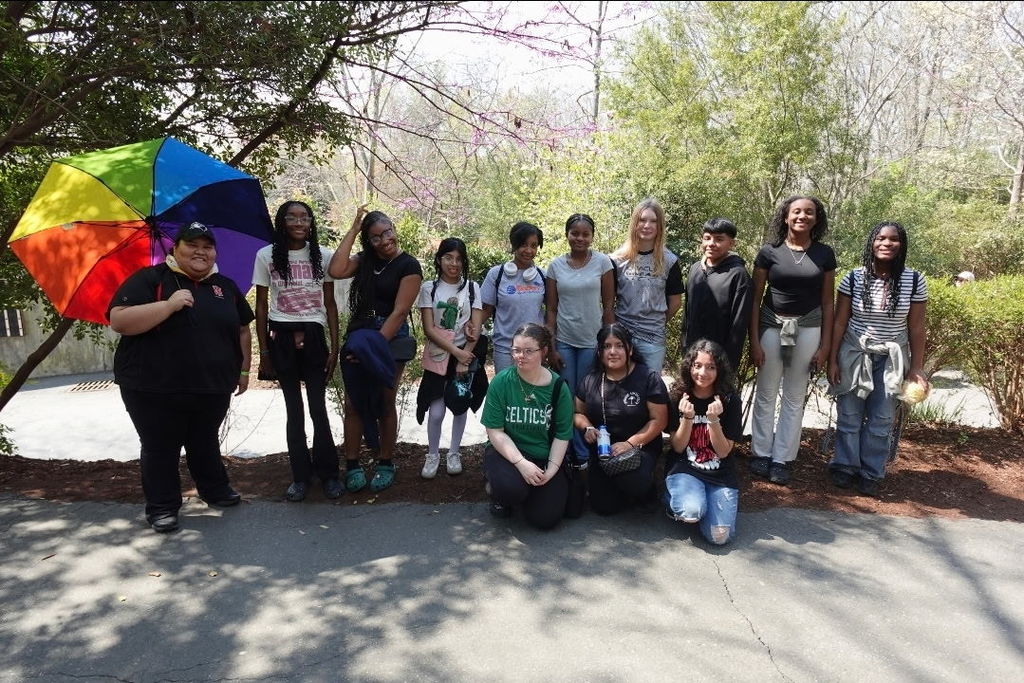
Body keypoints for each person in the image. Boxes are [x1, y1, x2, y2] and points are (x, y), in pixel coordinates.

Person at [108, 222, 253, 533]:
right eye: (192, 245)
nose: (201, 251)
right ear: (175, 249)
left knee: (204, 441)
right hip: (153, 386)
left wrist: (243, 370)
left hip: (212, 384)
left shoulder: (224, 286)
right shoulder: (150, 280)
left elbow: (243, 328)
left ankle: (214, 489)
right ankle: (162, 506)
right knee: (160, 446)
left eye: (207, 246)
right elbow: (119, 320)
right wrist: (168, 305)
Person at [827, 221, 928, 497]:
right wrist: (832, 359)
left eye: (893, 239)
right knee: (849, 414)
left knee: (882, 419)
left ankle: (871, 471)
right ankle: (845, 465)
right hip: (854, 353)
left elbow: (917, 327)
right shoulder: (853, 278)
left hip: (891, 358)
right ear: (871, 243)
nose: (886, 243)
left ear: (901, 245)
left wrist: (916, 368)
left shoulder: (914, 280)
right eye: (880, 238)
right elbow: (839, 322)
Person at [328, 207, 422, 493]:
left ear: (394, 229)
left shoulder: (409, 265)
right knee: (354, 402)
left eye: (387, 232)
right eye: (376, 237)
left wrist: (372, 349)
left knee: (384, 399)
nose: (385, 240)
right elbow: (336, 269)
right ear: (368, 242)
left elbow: (400, 311)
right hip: (360, 332)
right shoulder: (365, 260)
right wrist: (355, 229)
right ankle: (354, 464)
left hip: (388, 337)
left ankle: (385, 461)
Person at [253, 201, 340, 502]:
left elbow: (329, 304)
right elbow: (262, 304)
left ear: (311, 223)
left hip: (315, 337)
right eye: (292, 217)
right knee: (294, 412)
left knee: (318, 409)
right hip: (282, 337)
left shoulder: (324, 255)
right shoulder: (266, 256)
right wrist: (264, 350)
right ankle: (300, 477)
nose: (299, 222)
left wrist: (335, 347)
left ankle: (329, 474)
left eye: (305, 217)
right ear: (282, 221)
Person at [748, 196, 836, 486]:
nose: (802, 216)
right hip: (772, 326)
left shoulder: (824, 254)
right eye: (796, 211)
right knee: (766, 392)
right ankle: (761, 452)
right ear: (785, 217)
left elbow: (827, 302)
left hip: (809, 328)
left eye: (809, 212)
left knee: (795, 396)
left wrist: (825, 346)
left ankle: (782, 458)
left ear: (816, 218)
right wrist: (754, 340)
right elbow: (755, 299)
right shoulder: (769, 252)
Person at [481, 323, 574, 529]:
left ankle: (529, 492)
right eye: (516, 350)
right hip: (508, 454)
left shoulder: (558, 387)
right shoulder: (501, 382)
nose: (520, 356)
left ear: (544, 351)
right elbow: (495, 431)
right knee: (510, 490)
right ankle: (500, 489)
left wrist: (551, 470)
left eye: (528, 351)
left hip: (544, 455)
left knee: (545, 520)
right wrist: (521, 463)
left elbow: (562, 434)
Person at [574, 323, 668, 514]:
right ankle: (618, 489)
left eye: (619, 345)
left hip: (639, 448)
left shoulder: (648, 377)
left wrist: (630, 443)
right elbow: (577, 413)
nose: (613, 352)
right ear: (599, 352)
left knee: (635, 481)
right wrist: (587, 428)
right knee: (603, 508)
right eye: (607, 346)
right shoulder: (591, 380)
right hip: (604, 452)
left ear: (630, 349)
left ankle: (645, 490)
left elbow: (659, 420)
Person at [545, 213, 615, 466]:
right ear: (567, 235)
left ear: (592, 236)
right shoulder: (555, 266)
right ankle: (568, 453)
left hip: (591, 342)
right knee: (566, 397)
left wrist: (608, 343)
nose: (580, 238)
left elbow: (608, 306)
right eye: (575, 233)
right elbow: (551, 310)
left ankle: (586, 454)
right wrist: (551, 347)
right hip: (564, 340)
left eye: (585, 234)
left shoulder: (603, 263)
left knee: (585, 399)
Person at [415, 237, 485, 479]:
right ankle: (432, 454)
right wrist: (457, 353)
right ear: (439, 259)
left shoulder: (473, 288)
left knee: (459, 404)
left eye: (458, 259)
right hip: (439, 354)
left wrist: (465, 356)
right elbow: (428, 329)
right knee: (436, 411)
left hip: (464, 353)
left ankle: (454, 452)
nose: (453, 263)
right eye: (448, 258)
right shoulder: (428, 288)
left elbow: (476, 327)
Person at [664, 339, 743, 546]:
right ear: (689, 366)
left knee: (719, 537)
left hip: (720, 472)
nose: (702, 373)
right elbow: (678, 447)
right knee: (691, 511)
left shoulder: (730, 400)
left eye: (711, 367)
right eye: (697, 366)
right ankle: (672, 498)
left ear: (720, 370)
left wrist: (714, 420)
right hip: (686, 468)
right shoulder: (677, 396)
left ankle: (707, 505)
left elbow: (724, 452)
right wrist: (687, 418)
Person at [611, 198, 685, 373]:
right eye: (642, 220)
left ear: (660, 226)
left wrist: (657, 321)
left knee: (651, 391)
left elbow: (675, 302)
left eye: (653, 221)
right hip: (622, 336)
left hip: (653, 338)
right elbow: (607, 300)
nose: (647, 225)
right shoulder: (617, 260)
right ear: (635, 224)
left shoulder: (669, 261)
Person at [683, 217, 753, 373]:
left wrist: (728, 364)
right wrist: (685, 349)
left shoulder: (739, 275)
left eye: (719, 239)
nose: (711, 243)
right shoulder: (695, 270)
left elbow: (739, 325)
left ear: (732, 243)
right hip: (693, 355)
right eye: (707, 238)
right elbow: (687, 316)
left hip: (720, 360)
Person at [481, 222, 547, 373]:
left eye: (534, 245)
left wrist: (548, 344)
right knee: (506, 394)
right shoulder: (496, 274)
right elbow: (485, 310)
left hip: (535, 349)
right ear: (514, 244)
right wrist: (471, 327)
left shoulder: (543, 276)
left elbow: (552, 311)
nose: (529, 250)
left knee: (532, 394)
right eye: (523, 244)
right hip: (505, 348)